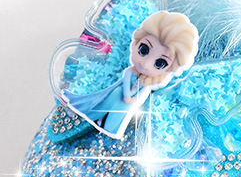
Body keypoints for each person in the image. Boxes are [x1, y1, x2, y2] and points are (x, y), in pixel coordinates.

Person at [61, 11, 199, 139]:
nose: (146, 64)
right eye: (143, 50)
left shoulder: (149, 84)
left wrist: (132, 99)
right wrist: (127, 96)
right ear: (135, 44)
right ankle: (99, 116)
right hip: (122, 96)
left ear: (170, 69)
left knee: (125, 106)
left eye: (159, 63)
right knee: (117, 93)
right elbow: (126, 85)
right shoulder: (130, 72)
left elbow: (140, 97)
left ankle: (110, 126)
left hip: (128, 104)